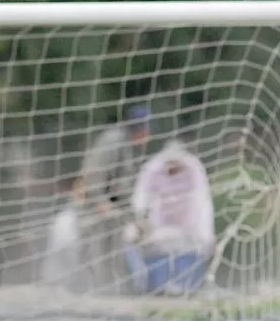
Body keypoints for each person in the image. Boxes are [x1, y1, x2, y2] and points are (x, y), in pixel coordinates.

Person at [124, 139, 216, 295]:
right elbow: (140, 199)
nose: (173, 170)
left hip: (188, 225)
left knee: (200, 244)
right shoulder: (152, 169)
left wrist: (208, 235)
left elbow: (204, 204)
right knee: (130, 236)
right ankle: (146, 284)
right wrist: (141, 221)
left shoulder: (194, 169)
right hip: (159, 225)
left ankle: (187, 285)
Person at [78, 104, 152, 293]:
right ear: (139, 128)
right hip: (94, 210)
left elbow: (124, 189)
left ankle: (112, 293)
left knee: (116, 254)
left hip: (114, 213)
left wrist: (136, 219)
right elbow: (94, 173)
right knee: (97, 254)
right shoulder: (112, 140)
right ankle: (95, 294)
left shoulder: (129, 146)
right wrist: (100, 201)